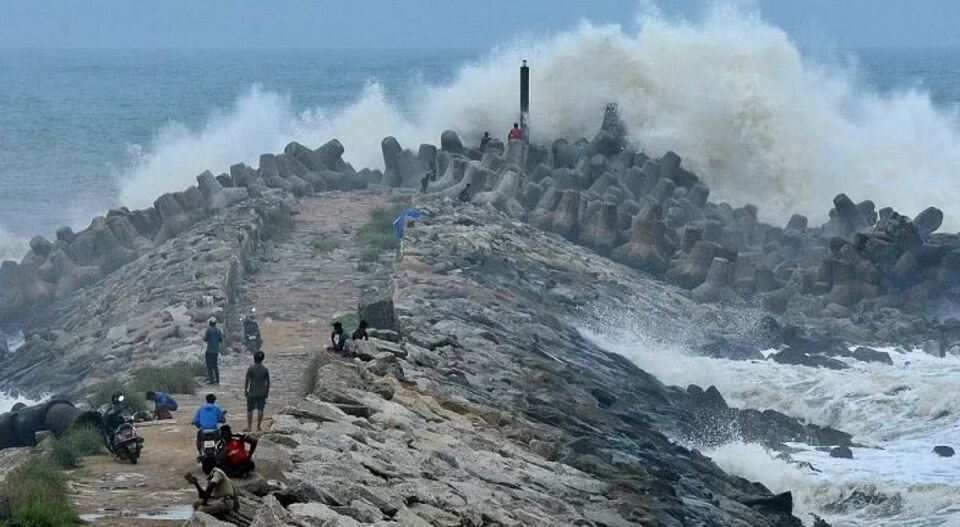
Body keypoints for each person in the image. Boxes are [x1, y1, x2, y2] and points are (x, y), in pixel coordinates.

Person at [244, 351, 270, 432]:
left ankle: (249, 427)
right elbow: (268, 382)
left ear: (254, 358)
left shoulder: (251, 368)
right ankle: (258, 427)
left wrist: (245, 390)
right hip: (262, 392)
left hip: (252, 392)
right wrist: (267, 392)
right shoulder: (265, 369)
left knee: (249, 410)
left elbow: (247, 380)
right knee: (260, 409)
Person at [203, 317, 224, 384]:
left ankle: (211, 380)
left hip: (209, 350)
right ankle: (217, 379)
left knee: (209, 365)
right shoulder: (219, 331)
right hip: (216, 351)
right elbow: (221, 340)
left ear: (210, 323)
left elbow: (206, 339)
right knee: (215, 365)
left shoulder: (208, 330)